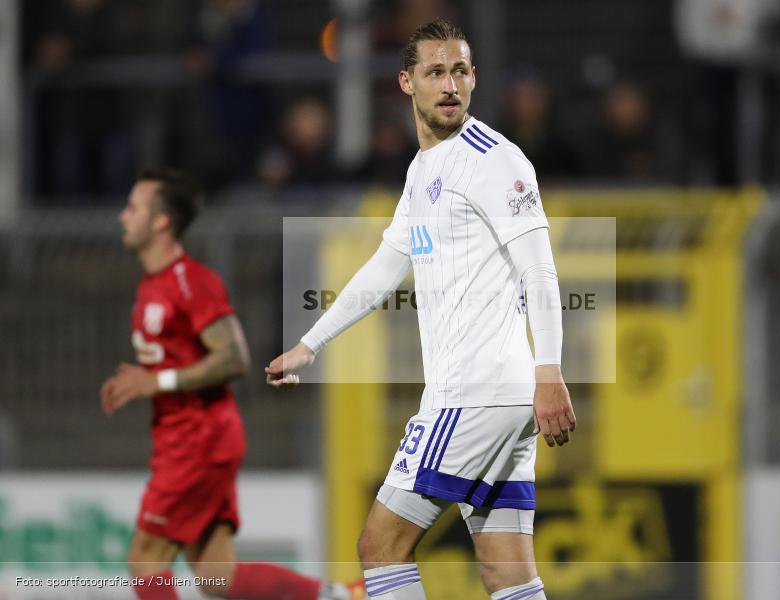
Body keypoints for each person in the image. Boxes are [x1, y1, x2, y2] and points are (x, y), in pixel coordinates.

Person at [267, 20, 575, 600]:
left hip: (475, 394)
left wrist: (551, 371)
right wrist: (311, 344)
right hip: (497, 400)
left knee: (380, 546)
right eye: (436, 72)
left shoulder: (495, 161)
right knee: (507, 572)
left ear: (475, 78)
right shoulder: (423, 169)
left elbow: (540, 269)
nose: (450, 85)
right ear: (406, 82)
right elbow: (386, 266)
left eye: (459, 71)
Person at [100, 168, 366, 600]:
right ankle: (341, 596)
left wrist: (158, 380)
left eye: (133, 208)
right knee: (216, 576)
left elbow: (233, 357)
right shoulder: (153, 284)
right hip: (185, 438)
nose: (122, 216)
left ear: (161, 221)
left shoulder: (191, 283)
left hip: (197, 440)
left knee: (145, 562)